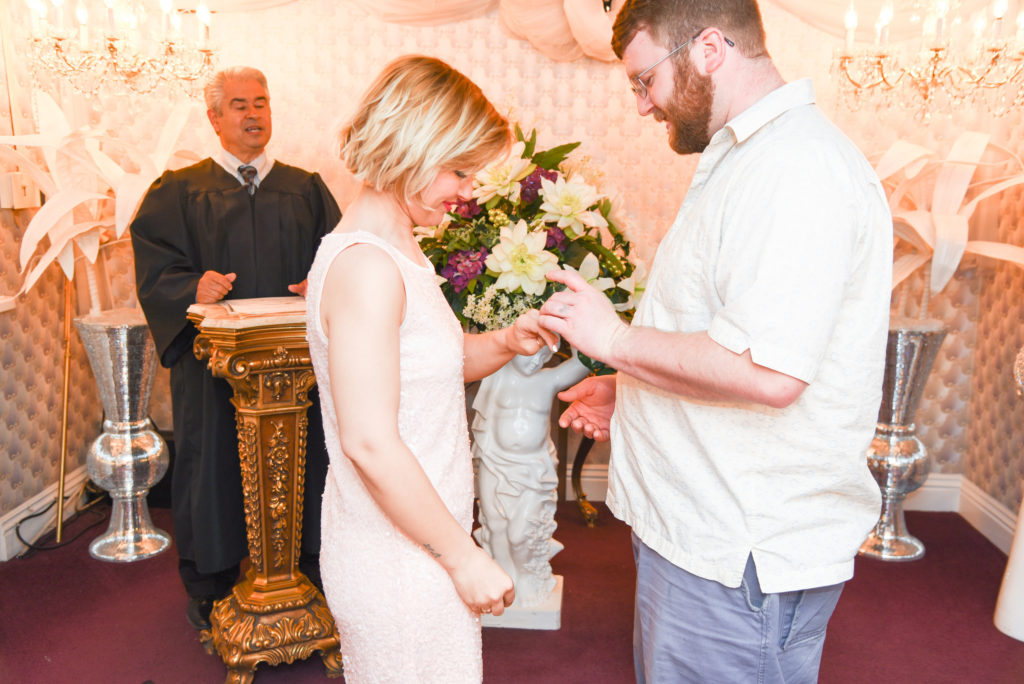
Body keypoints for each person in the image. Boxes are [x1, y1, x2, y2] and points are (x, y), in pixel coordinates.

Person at [538, 1, 893, 682]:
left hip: (739, 552)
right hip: (702, 534)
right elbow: (726, 337)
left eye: (645, 81)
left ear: (708, 49)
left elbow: (767, 372)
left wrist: (612, 340)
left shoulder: (795, 168)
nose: (643, 106)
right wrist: (635, 390)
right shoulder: (750, 157)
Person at [305, 55, 557, 683]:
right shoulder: (367, 266)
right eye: (460, 169)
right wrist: (463, 557)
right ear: (412, 144)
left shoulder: (399, 249)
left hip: (419, 537)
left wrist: (504, 340)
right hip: (398, 554)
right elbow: (368, 440)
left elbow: (426, 371)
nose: (468, 191)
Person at [130, 66, 341, 631]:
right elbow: (155, 267)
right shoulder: (179, 189)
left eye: (262, 103)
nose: (254, 114)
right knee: (213, 462)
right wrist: (189, 287)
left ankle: (310, 565)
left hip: (296, 367)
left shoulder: (305, 187)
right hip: (213, 367)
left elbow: (342, 257)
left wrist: (317, 282)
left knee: (306, 458)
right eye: (240, 105)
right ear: (215, 118)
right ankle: (212, 581)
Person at [470, 346, 589, 607]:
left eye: (544, 355)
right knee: (496, 526)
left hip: (532, 468)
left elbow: (586, 361)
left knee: (520, 532)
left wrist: (571, 317)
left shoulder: (548, 380)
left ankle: (528, 577)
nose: (537, 361)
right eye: (533, 352)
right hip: (494, 462)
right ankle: (505, 581)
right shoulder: (493, 374)